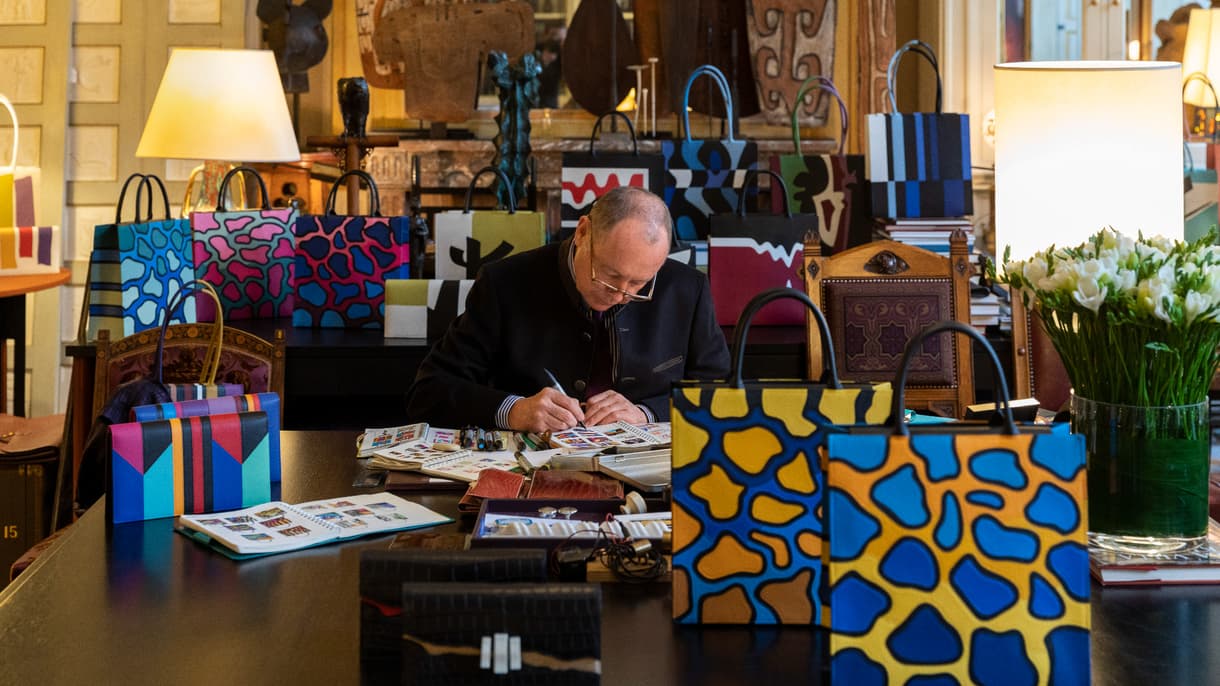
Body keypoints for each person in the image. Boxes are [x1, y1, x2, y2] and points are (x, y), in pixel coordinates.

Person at [406, 186, 729, 433]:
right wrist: (514, 410)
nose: (621, 295)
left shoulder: (688, 289)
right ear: (583, 232)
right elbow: (429, 391)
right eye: (611, 276)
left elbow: (719, 393)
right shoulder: (504, 283)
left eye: (640, 284)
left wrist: (647, 413)